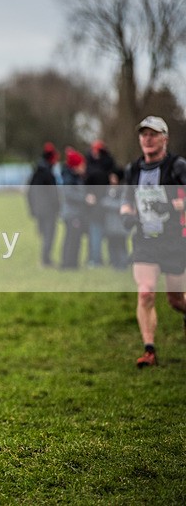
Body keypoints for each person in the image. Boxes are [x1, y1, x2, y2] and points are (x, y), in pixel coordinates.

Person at [119, 116, 186, 368]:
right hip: (145, 241)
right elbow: (126, 200)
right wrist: (126, 216)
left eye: (153, 134)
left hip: (174, 241)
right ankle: (149, 349)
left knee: (176, 299)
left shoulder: (177, 166)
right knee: (145, 292)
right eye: (144, 134)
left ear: (164, 138)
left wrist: (170, 204)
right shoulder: (133, 170)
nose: (147, 139)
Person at [84, 139, 118, 267]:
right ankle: (95, 259)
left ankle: (110, 259)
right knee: (95, 233)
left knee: (108, 233)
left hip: (106, 204)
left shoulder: (105, 166)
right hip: (95, 206)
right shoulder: (92, 166)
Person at [27, 142, 60, 267]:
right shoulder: (48, 174)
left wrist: (32, 209)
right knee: (49, 234)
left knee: (44, 234)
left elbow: (29, 192)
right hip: (48, 210)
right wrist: (57, 206)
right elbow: (53, 193)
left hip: (38, 209)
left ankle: (45, 258)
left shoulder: (36, 173)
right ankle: (45, 260)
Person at [59, 147, 88, 270]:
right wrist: (85, 198)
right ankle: (68, 264)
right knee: (71, 239)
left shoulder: (75, 177)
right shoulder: (69, 178)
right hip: (72, 214)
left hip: (75, 213)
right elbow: (69, 194)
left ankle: (72, 263)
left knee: (74, 238)